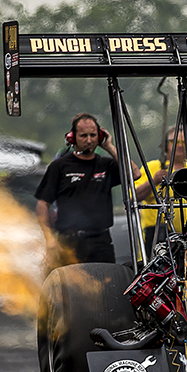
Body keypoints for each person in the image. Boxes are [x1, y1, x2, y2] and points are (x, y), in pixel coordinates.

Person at [35, 113, 140, 266]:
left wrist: (110, 147)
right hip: (68, 242)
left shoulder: (106, 165)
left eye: (93, 135)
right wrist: (49, 238)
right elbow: (43, 204)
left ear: (100, 136)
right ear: (72, 137)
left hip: (101, 242)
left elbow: (135, 173)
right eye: (83, 136)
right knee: (69, 287)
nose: (89, 140)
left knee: (106, 286)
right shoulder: (59, 166)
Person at [134, 126, 187, 253]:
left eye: (183, 142)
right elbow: (134, 196)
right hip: (157, 235)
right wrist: (153, 181)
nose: (179, 146)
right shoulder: (153, 167)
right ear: (165, 146)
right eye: (174, 141)